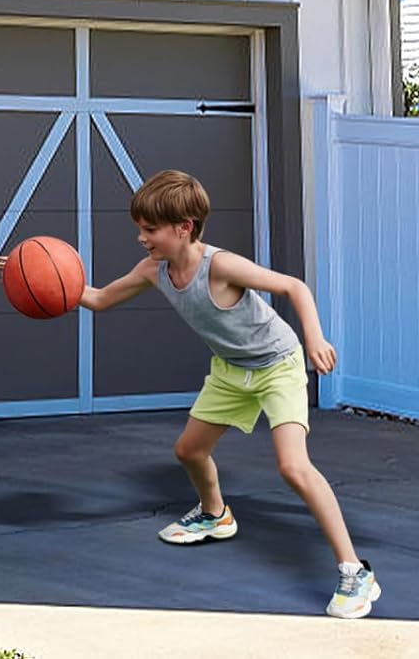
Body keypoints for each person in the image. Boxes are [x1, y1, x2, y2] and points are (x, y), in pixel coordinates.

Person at [50, 168, 378, 619]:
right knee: (189, 451)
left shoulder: (220, 266)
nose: (141, 238)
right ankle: (215, 514)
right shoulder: (153, 270)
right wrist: (46, 280)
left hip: (277, 366)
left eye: (150, 230)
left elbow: (293, 287)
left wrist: (315, 338)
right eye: (140, 229)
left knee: (293, 467)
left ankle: (355, 570)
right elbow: (100, 299)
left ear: (184, 228)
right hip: (230, 371)